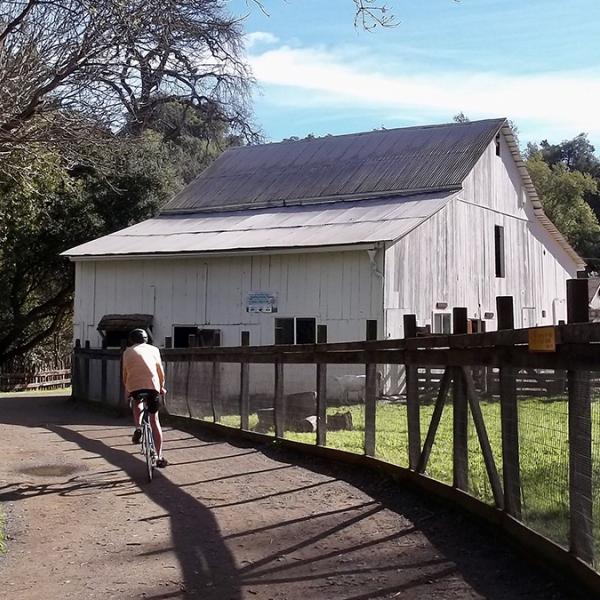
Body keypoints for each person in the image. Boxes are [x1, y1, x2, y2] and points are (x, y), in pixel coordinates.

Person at [122, 328, 168, 468]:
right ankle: (159, 456)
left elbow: (125, 373)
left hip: (135, 385)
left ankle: (138, 427)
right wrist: (161, 387)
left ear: (131, 340)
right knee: (154, 419)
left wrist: (127, 389)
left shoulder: (127, 352)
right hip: (152, 385)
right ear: (146, 339)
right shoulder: (154, 350)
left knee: (137, 402)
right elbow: (159, 370)